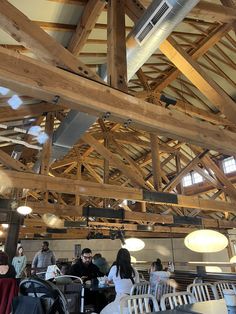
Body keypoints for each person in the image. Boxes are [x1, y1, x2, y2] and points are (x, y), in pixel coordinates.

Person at [100, 248, 139, 314]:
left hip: (120, 302)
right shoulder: (134, 270)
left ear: (118, 258)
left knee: (102, 312)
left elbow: (108, 280)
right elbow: (137, 285)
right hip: (133, 303)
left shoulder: (115, 268)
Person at [69, 248, 105, 312]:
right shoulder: (75, 267)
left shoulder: (94, 267)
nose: (88, 259)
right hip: (79, 293)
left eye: (90, 257)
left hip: (93, 292)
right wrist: (78, 280)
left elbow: (101, 276)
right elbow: (68, 280)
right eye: (85, 257)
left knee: (102, 298)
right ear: (81, 257)